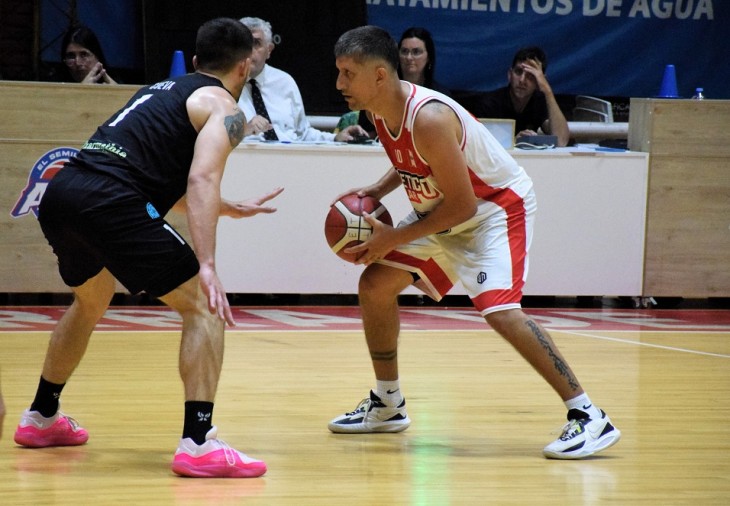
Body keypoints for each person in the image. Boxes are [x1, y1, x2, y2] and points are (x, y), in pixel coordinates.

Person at [327, 26, 621, 460]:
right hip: (442, 209)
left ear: (379, 76)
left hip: (492, 209)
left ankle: (589, 416)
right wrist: (377, 188)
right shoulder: (379, 111)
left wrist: (393, 237)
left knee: (499, 310)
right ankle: (388, 404)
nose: (339, 83)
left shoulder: (428, 118)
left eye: (348, 73)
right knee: (375, 286)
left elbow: (464, 206)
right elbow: (413, 159)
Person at [13, 17, 283, 478]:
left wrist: (228, 208)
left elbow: (154, 179)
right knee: (204, 305)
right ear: (244, 67)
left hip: (66, 192)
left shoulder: (160, 90)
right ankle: (199, 443)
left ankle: (41, 416)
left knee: (91, 300)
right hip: (112, 200)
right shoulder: (226, 108)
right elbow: (201, 178)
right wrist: (207, 264)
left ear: (196, 61)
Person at [237, 17, 367, 142]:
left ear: (269, 50)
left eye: (256, 43)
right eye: (243, 43)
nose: (249, 50)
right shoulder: (226, 84)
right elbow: (223, 138)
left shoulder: (285, 82)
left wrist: (335, 138)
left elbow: (303, 133)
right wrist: (243, 131)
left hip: (289, 155)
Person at [352, 26, 451, 139]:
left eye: (416, 52)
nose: (409, 57)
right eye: (404, 51)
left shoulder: (441, 96)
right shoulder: (378, 92)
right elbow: (366, 134)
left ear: (428, 57)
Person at [469, 46, 570, 146]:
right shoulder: (489, 104)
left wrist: (547, 90)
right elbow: (478, 144)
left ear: (539, 80)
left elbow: (561, 141)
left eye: (530, 75)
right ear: (510, 75)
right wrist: (513, 141)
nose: (522, 80)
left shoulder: (540, 102)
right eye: (518, 72)